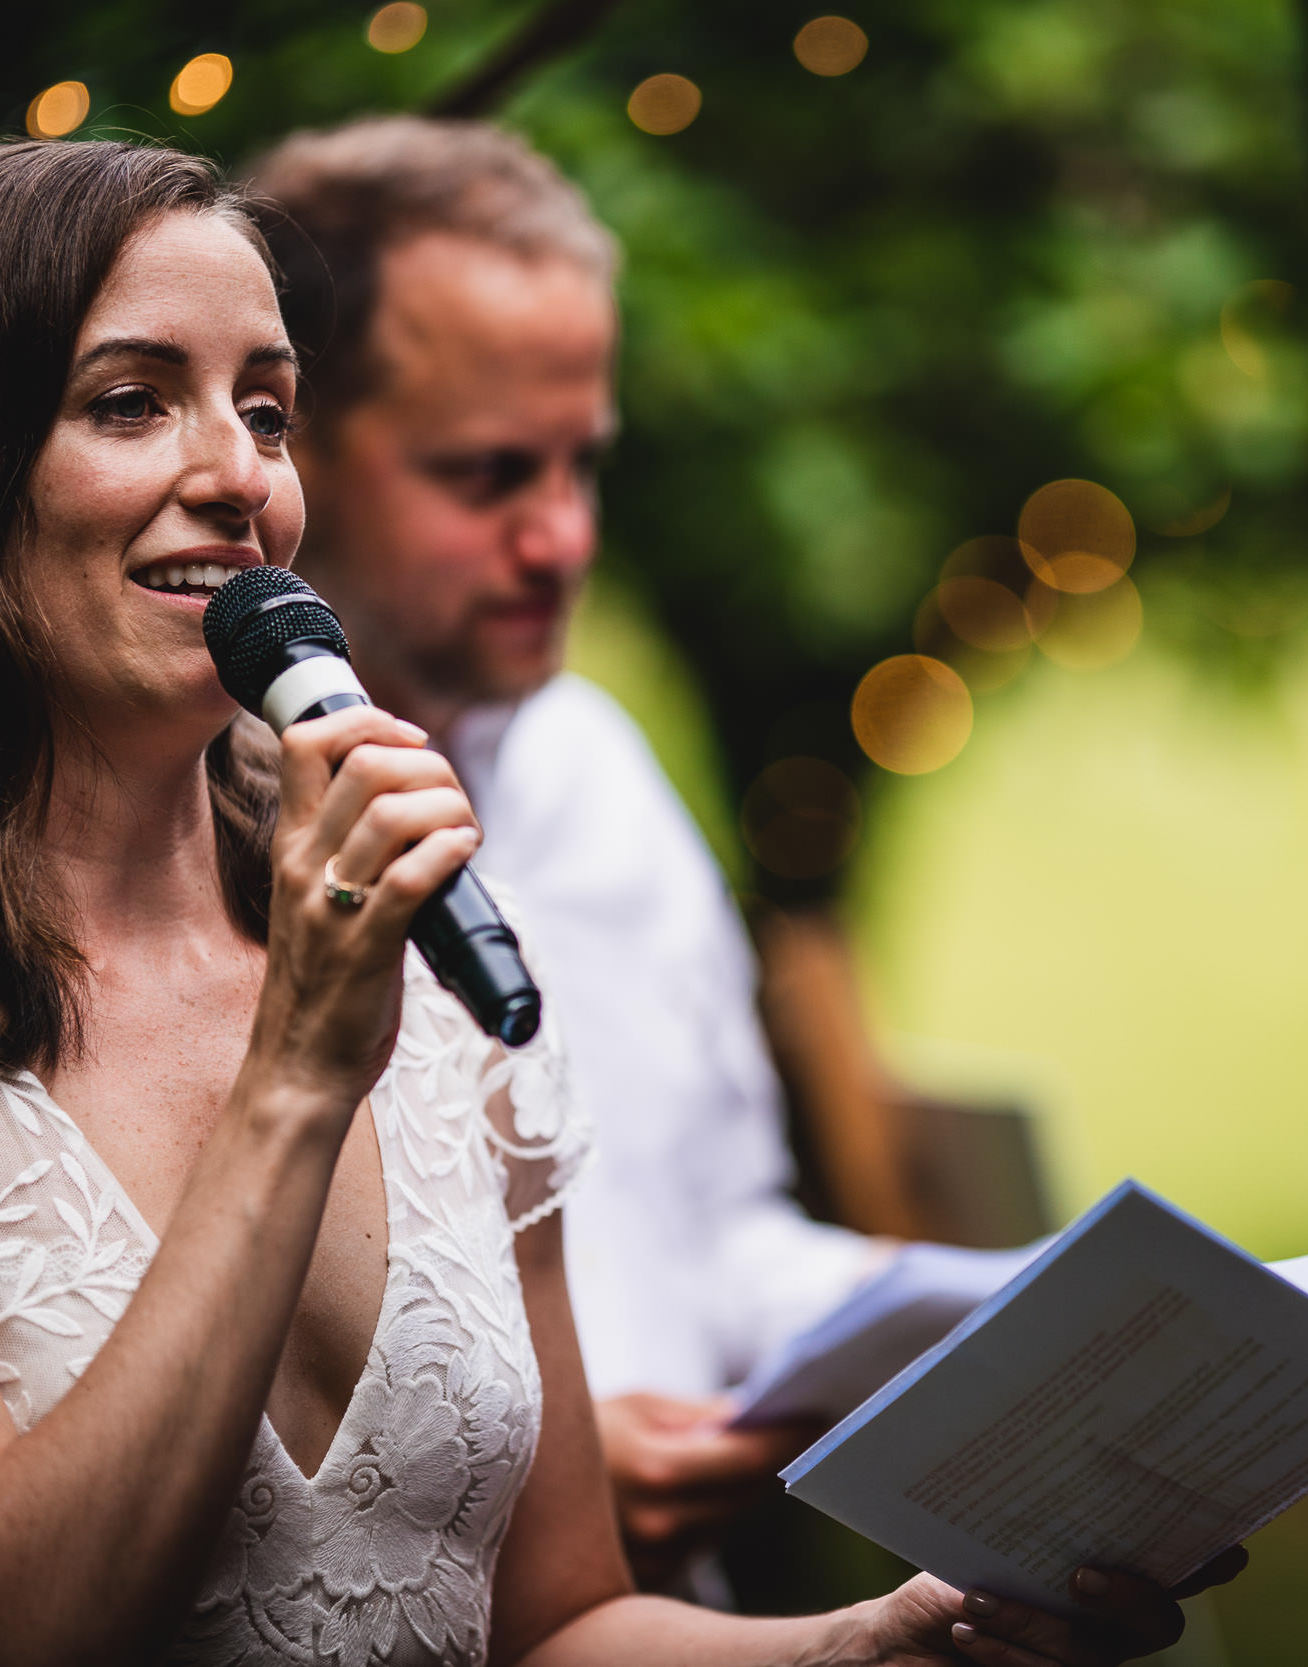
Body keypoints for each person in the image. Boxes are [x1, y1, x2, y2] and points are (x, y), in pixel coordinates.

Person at [0, 137, 1235, 1666]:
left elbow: (555, 1624)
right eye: (129, 403)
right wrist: (301, 1070)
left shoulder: (441, 959)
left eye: (267, 409)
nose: (236, 475)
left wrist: (863, 1644)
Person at [245, 115, 914, 1596]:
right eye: (487, 475)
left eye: (581, 465)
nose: (561, 540)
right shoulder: (184, 845)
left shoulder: (595, 765)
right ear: (287, 447)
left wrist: (974, 1315)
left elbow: (715, 1230)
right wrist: (527, 1482)